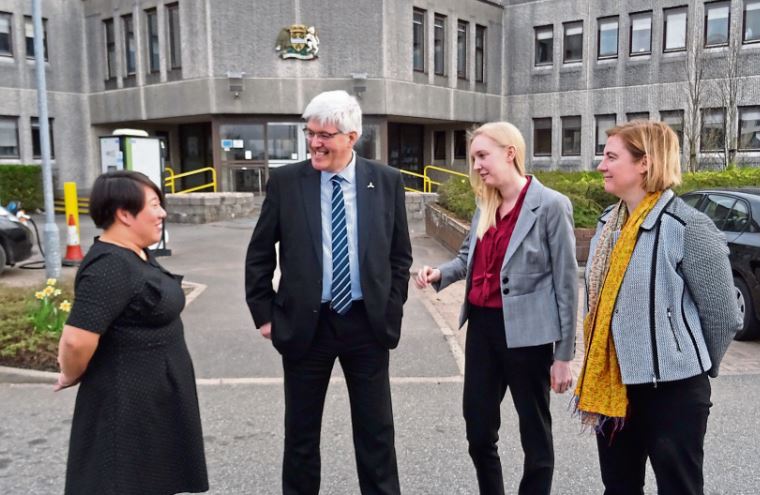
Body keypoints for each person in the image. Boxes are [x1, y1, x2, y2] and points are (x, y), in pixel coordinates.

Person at [245, 90, 412, 495]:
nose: (315, 142)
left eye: (325, 134)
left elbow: (399, 256)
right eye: (310, 133)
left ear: (352, 136)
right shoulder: (286, 181)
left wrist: (390, 307)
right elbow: (260, 254)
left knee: (376, 434)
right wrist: (265, 315)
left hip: (366, 324)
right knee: (301, 436)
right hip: (305, 325)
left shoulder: (386, 181)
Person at [574, 120, 742, 495]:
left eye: (611, 156)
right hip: (614, 385)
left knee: (679, 488)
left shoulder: (687, 226)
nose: (602, 165)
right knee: (618, 488)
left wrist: (690, 362)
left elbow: (723, 314)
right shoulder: (607, 224)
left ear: (644, 163)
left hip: (674, 392)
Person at [415, 121, 578, 495]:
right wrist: (439, 272)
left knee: (534, 431)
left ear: (510, 153)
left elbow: (567, 286)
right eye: (473, 158)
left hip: (529, 335)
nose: (476, 166)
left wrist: (563, 355)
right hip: (483, 329)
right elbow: (467, 259)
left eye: (482, 156)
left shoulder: (551, 205)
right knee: (478, 429)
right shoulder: (484, 203)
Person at [56, 170, 208, 495]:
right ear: (124, 214)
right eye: (154, 204)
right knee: (126, 483)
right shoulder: (109, 266)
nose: (162, 213)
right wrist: (71, 374)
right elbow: (75, 339)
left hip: (152, 401)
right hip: (126, 406)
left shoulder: (135, 253)